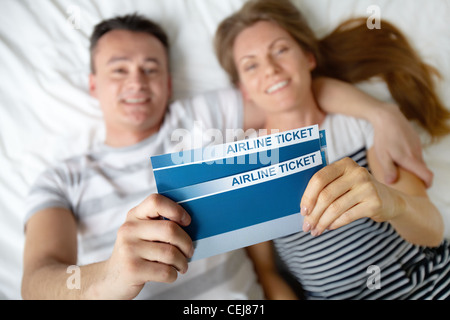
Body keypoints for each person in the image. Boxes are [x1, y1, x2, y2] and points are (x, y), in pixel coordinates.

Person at [22, 12, 433, 300]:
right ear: (93, 84)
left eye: (150, 68)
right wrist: (108, 278)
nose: (137, 81)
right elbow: (36, 283)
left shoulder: (203, 117)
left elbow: (288, 90)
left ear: (168, 82)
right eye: (118, 69)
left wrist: (381, 112)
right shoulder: (62, 178)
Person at [214, 0, 450, 299]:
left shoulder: (357, 124)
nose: (271, 69)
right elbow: (266, 272)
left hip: (430, 285)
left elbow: (431, 230)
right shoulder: (246, 162)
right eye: (251, 64)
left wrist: (391, 202)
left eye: (281, 50)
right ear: (243, 89)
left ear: (309, 58)